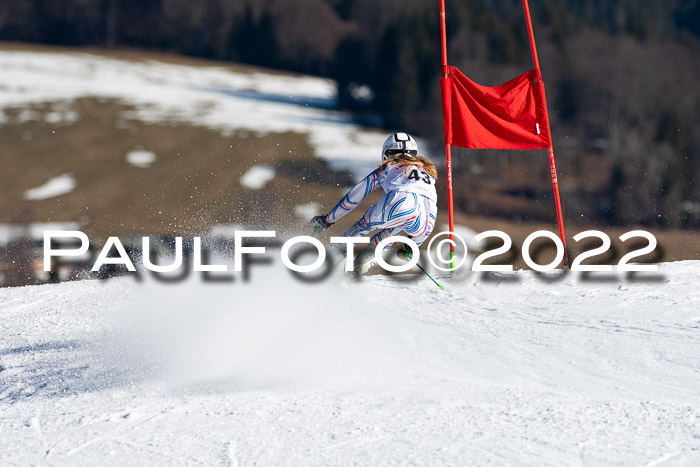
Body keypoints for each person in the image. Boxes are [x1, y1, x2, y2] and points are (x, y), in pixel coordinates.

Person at [311, 132, 438, 276]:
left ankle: (324, 266)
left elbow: (355, 196)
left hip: (400, 203)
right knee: (389, 233)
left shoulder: (391, 165)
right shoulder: (427, 173)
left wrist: (327, 219)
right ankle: (357, 271)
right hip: (427, 222)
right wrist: (411, 247)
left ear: (387, 153)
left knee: (362, 227)